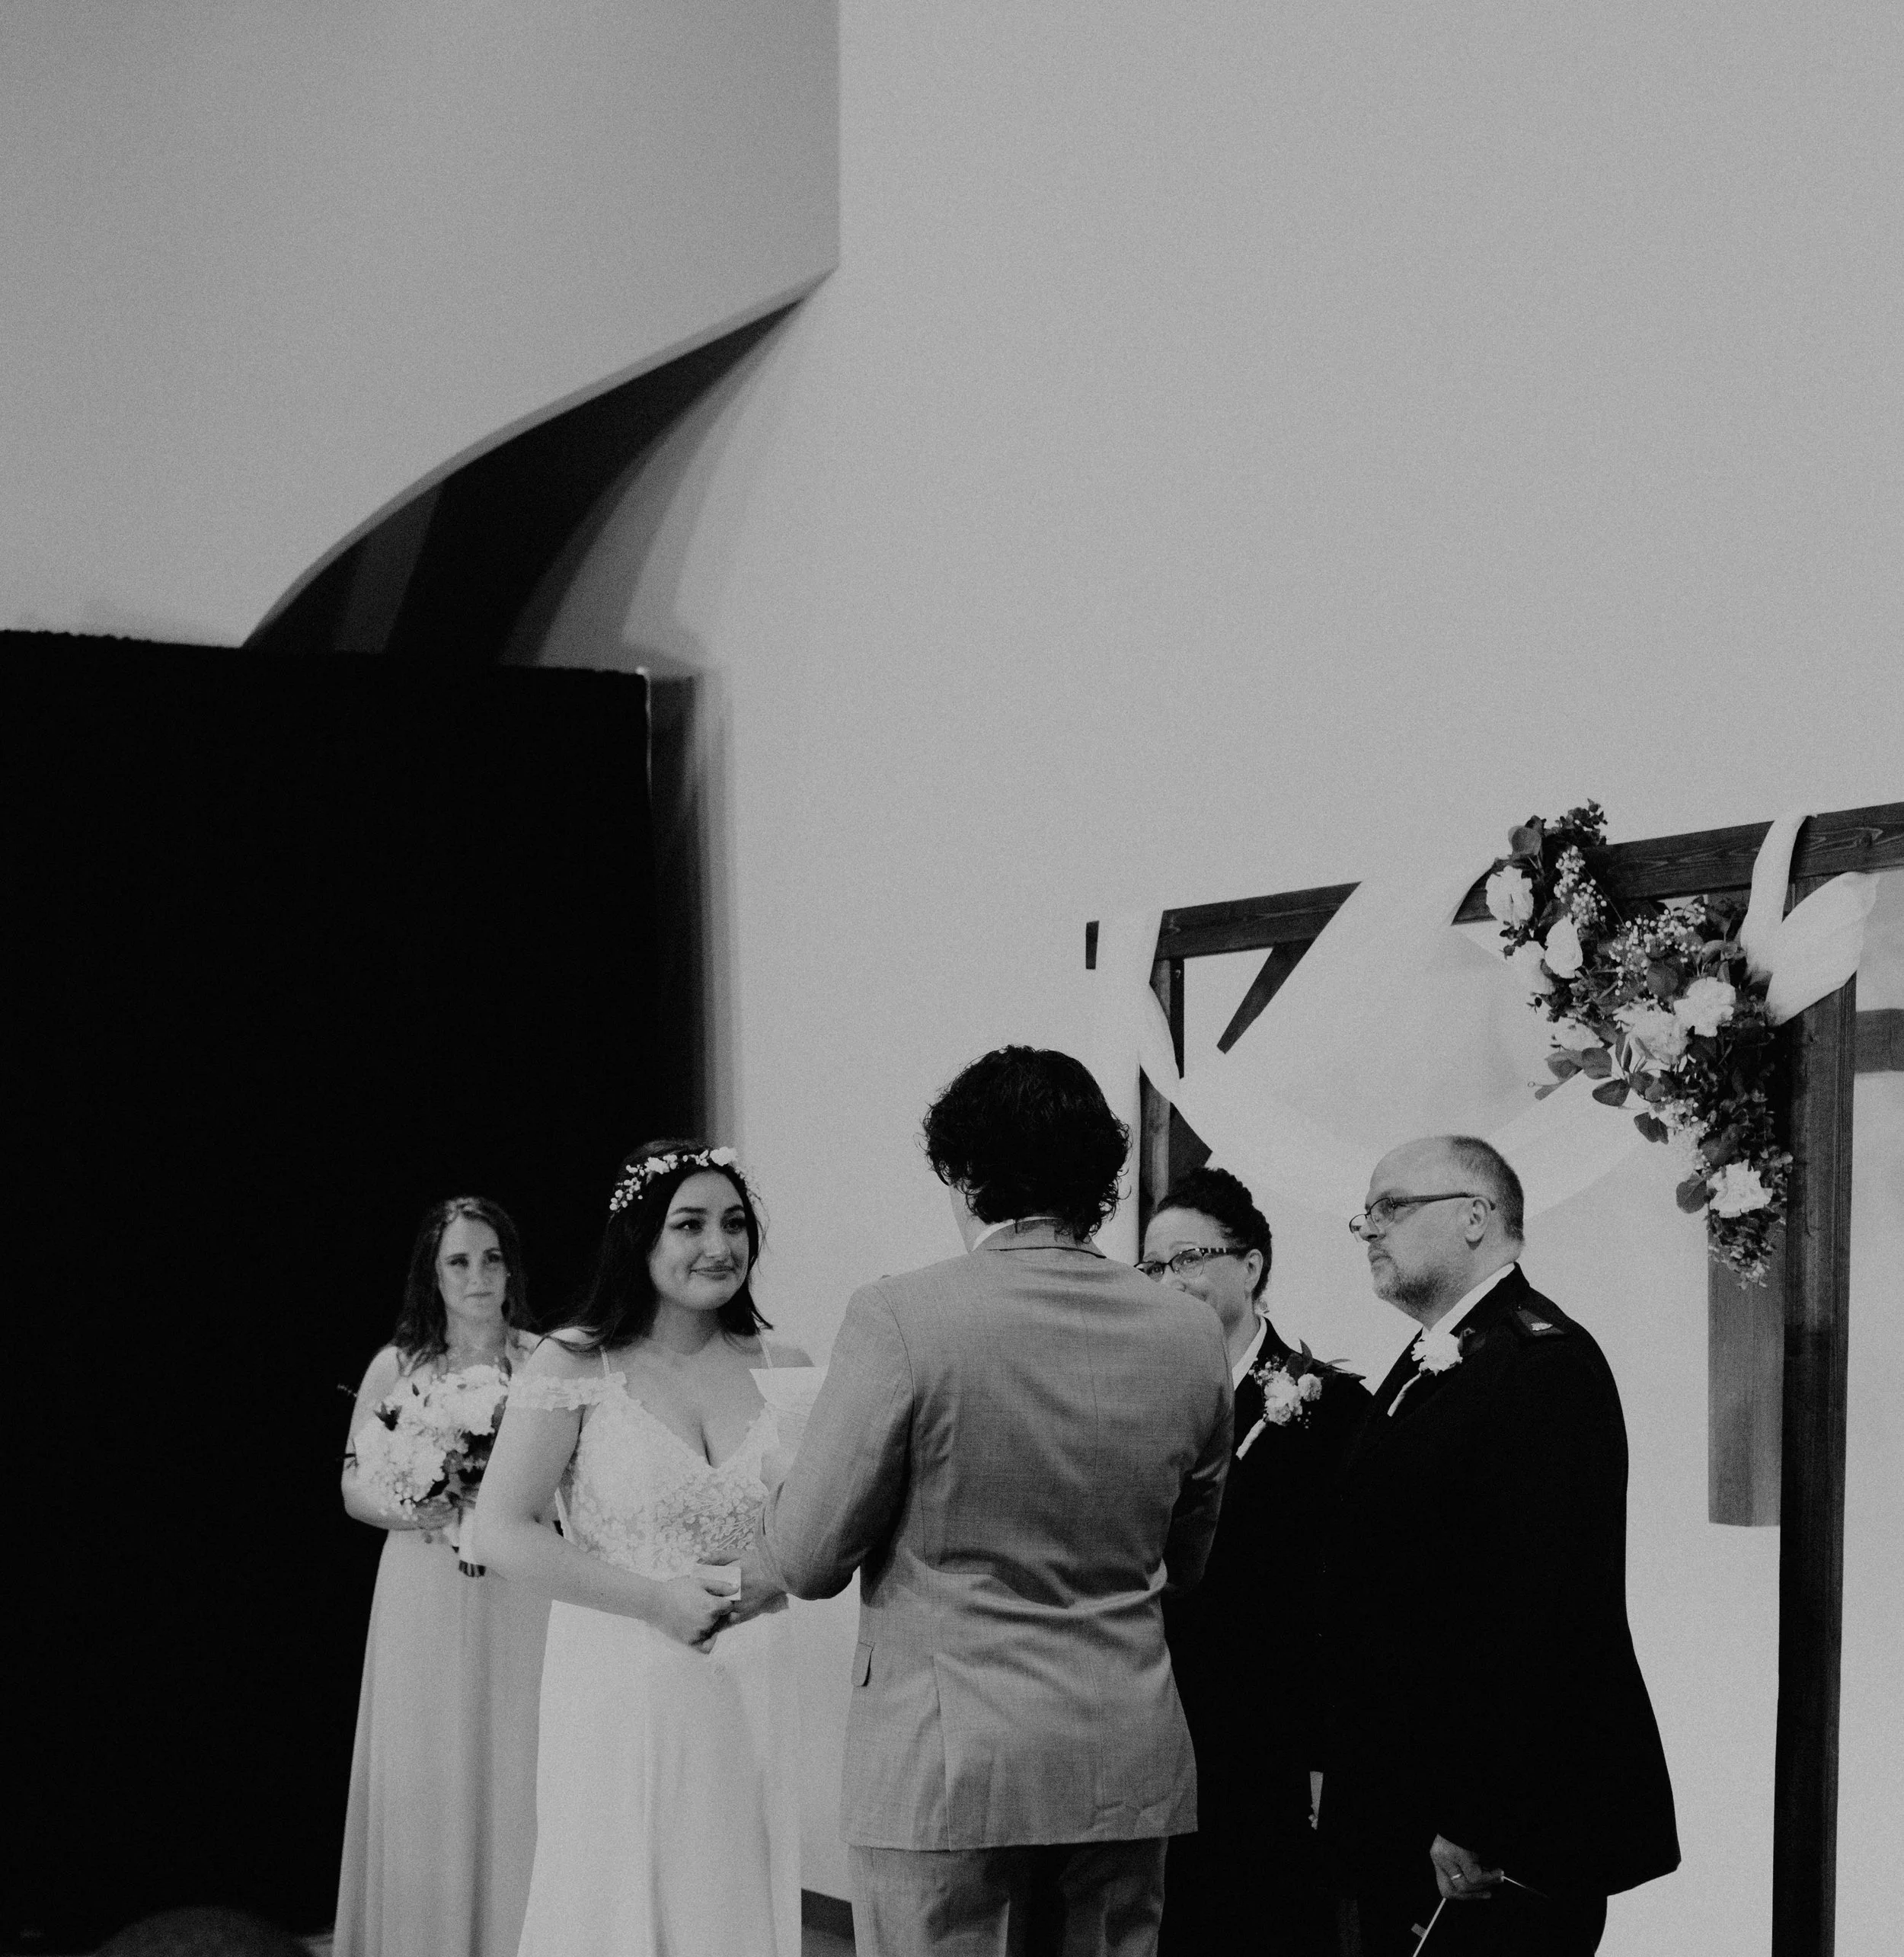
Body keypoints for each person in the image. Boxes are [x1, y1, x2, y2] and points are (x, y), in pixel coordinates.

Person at [746, 1046, 1234, 1957]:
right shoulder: (1188, 1330)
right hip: (1120, 1755)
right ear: (1100, 1177)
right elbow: (1188, 1557)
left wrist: (786, 1479)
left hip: (947, 1765)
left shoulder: (900, 1315)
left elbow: (809, 1560)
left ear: (963, 1172)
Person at [1319, 1135, 1679, 1956]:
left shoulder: (1540, 1364)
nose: (1368, 1228)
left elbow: (1537, 1613)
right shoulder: (1440, 1357)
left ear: (1476, 1216)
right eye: (1365, 1213)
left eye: (1392, 1206)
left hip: (1495, 1832)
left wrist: (1472, 1816)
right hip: (1414, 1805)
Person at [478, 1140, 811, 1957]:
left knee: (730, 1888)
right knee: (615, 1891)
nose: (718, 1246)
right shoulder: (576, 1361)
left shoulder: (789, 1366)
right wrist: (655, 1600)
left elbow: (808, 1528)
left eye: (734, 1224)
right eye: (689, 1223)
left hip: (747, 1674)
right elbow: (500, 1528)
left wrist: (766, 1582)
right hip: (617, 1679)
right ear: (641, 1238)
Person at [1141, 1166, 1371, 1957]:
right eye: (1154, 1265)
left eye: (1188, 1258)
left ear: (1251, 1264)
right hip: (1153, 1718)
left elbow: (1346, 1599)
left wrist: (1323, 1754)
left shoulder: (1330, 1409)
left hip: (1268, 1735)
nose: (1169, 1280)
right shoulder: (1134, 1402)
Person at [335, 1196, 550, 1957]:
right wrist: (413, 1504)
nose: (478, 1275)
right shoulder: (398, 1365)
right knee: (427, 1758)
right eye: (460, 1261)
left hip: (520, 1588)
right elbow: (353, 1482)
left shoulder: (542, 1359)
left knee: (517, 1757)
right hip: (422, 1583)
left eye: (491, 1258)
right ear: (433, 1274)